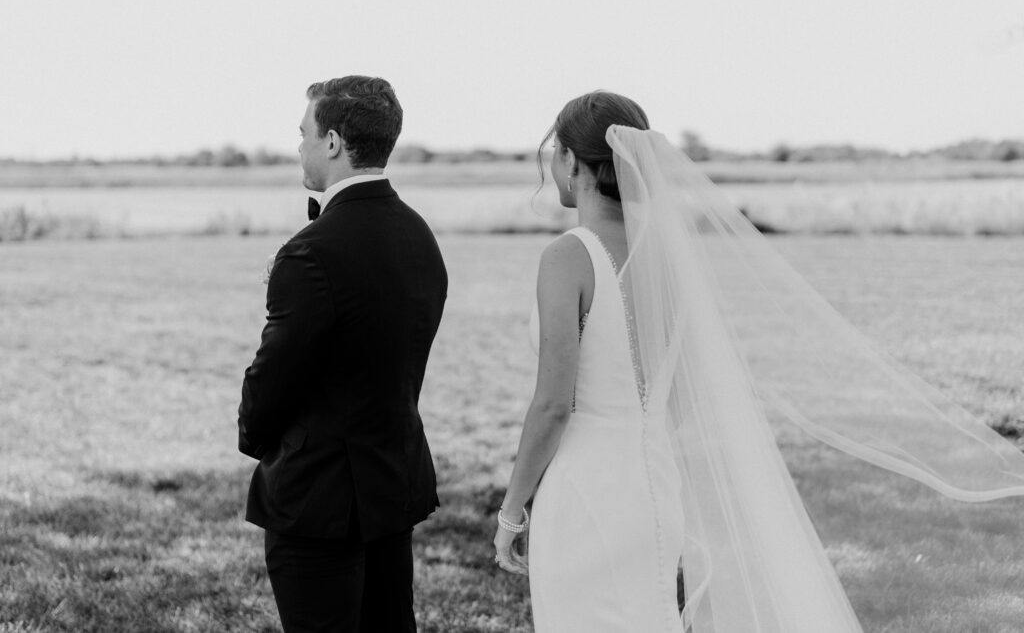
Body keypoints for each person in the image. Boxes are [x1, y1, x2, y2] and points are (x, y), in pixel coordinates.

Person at [494, 91, 1024, 632]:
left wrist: (511, 512)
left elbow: (553, 406)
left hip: (585, 492)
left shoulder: (567, 257)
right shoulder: (667, 263)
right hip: (654, 488)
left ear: (570, 160)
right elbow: (676, 400)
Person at [238, 76, 447, 633]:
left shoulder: (311, 251)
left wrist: (255, 441)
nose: (299, 147)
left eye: (304, 133)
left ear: (333, 142)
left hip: (317, 497)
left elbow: (272, 378)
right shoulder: (419, 235)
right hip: (390, 485)